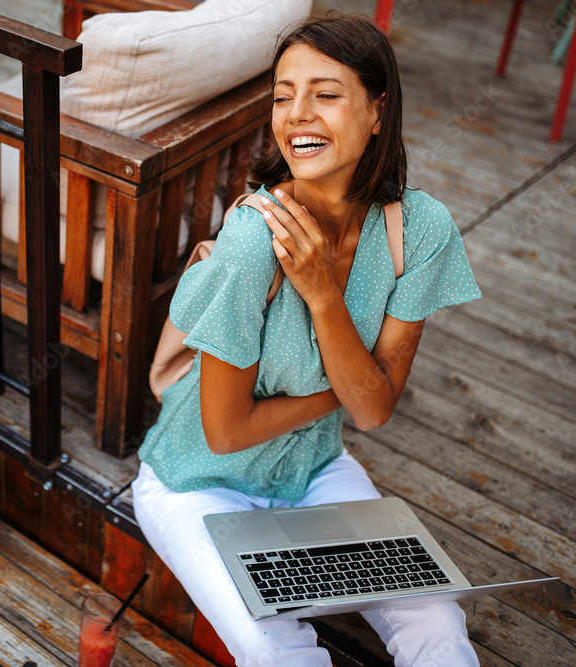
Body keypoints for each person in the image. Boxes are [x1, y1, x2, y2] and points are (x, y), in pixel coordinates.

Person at [131, 11, 483, 667]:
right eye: (283, 96)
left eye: (325, 93)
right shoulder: (252, 240)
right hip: (199, 482)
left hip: (314, 471)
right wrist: (346, 389)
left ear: (378, 111)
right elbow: (226, 431)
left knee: (435, 616)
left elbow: (374, 410)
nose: (297, 114)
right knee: (275, 648)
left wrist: (322, 290)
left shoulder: (419, 231)